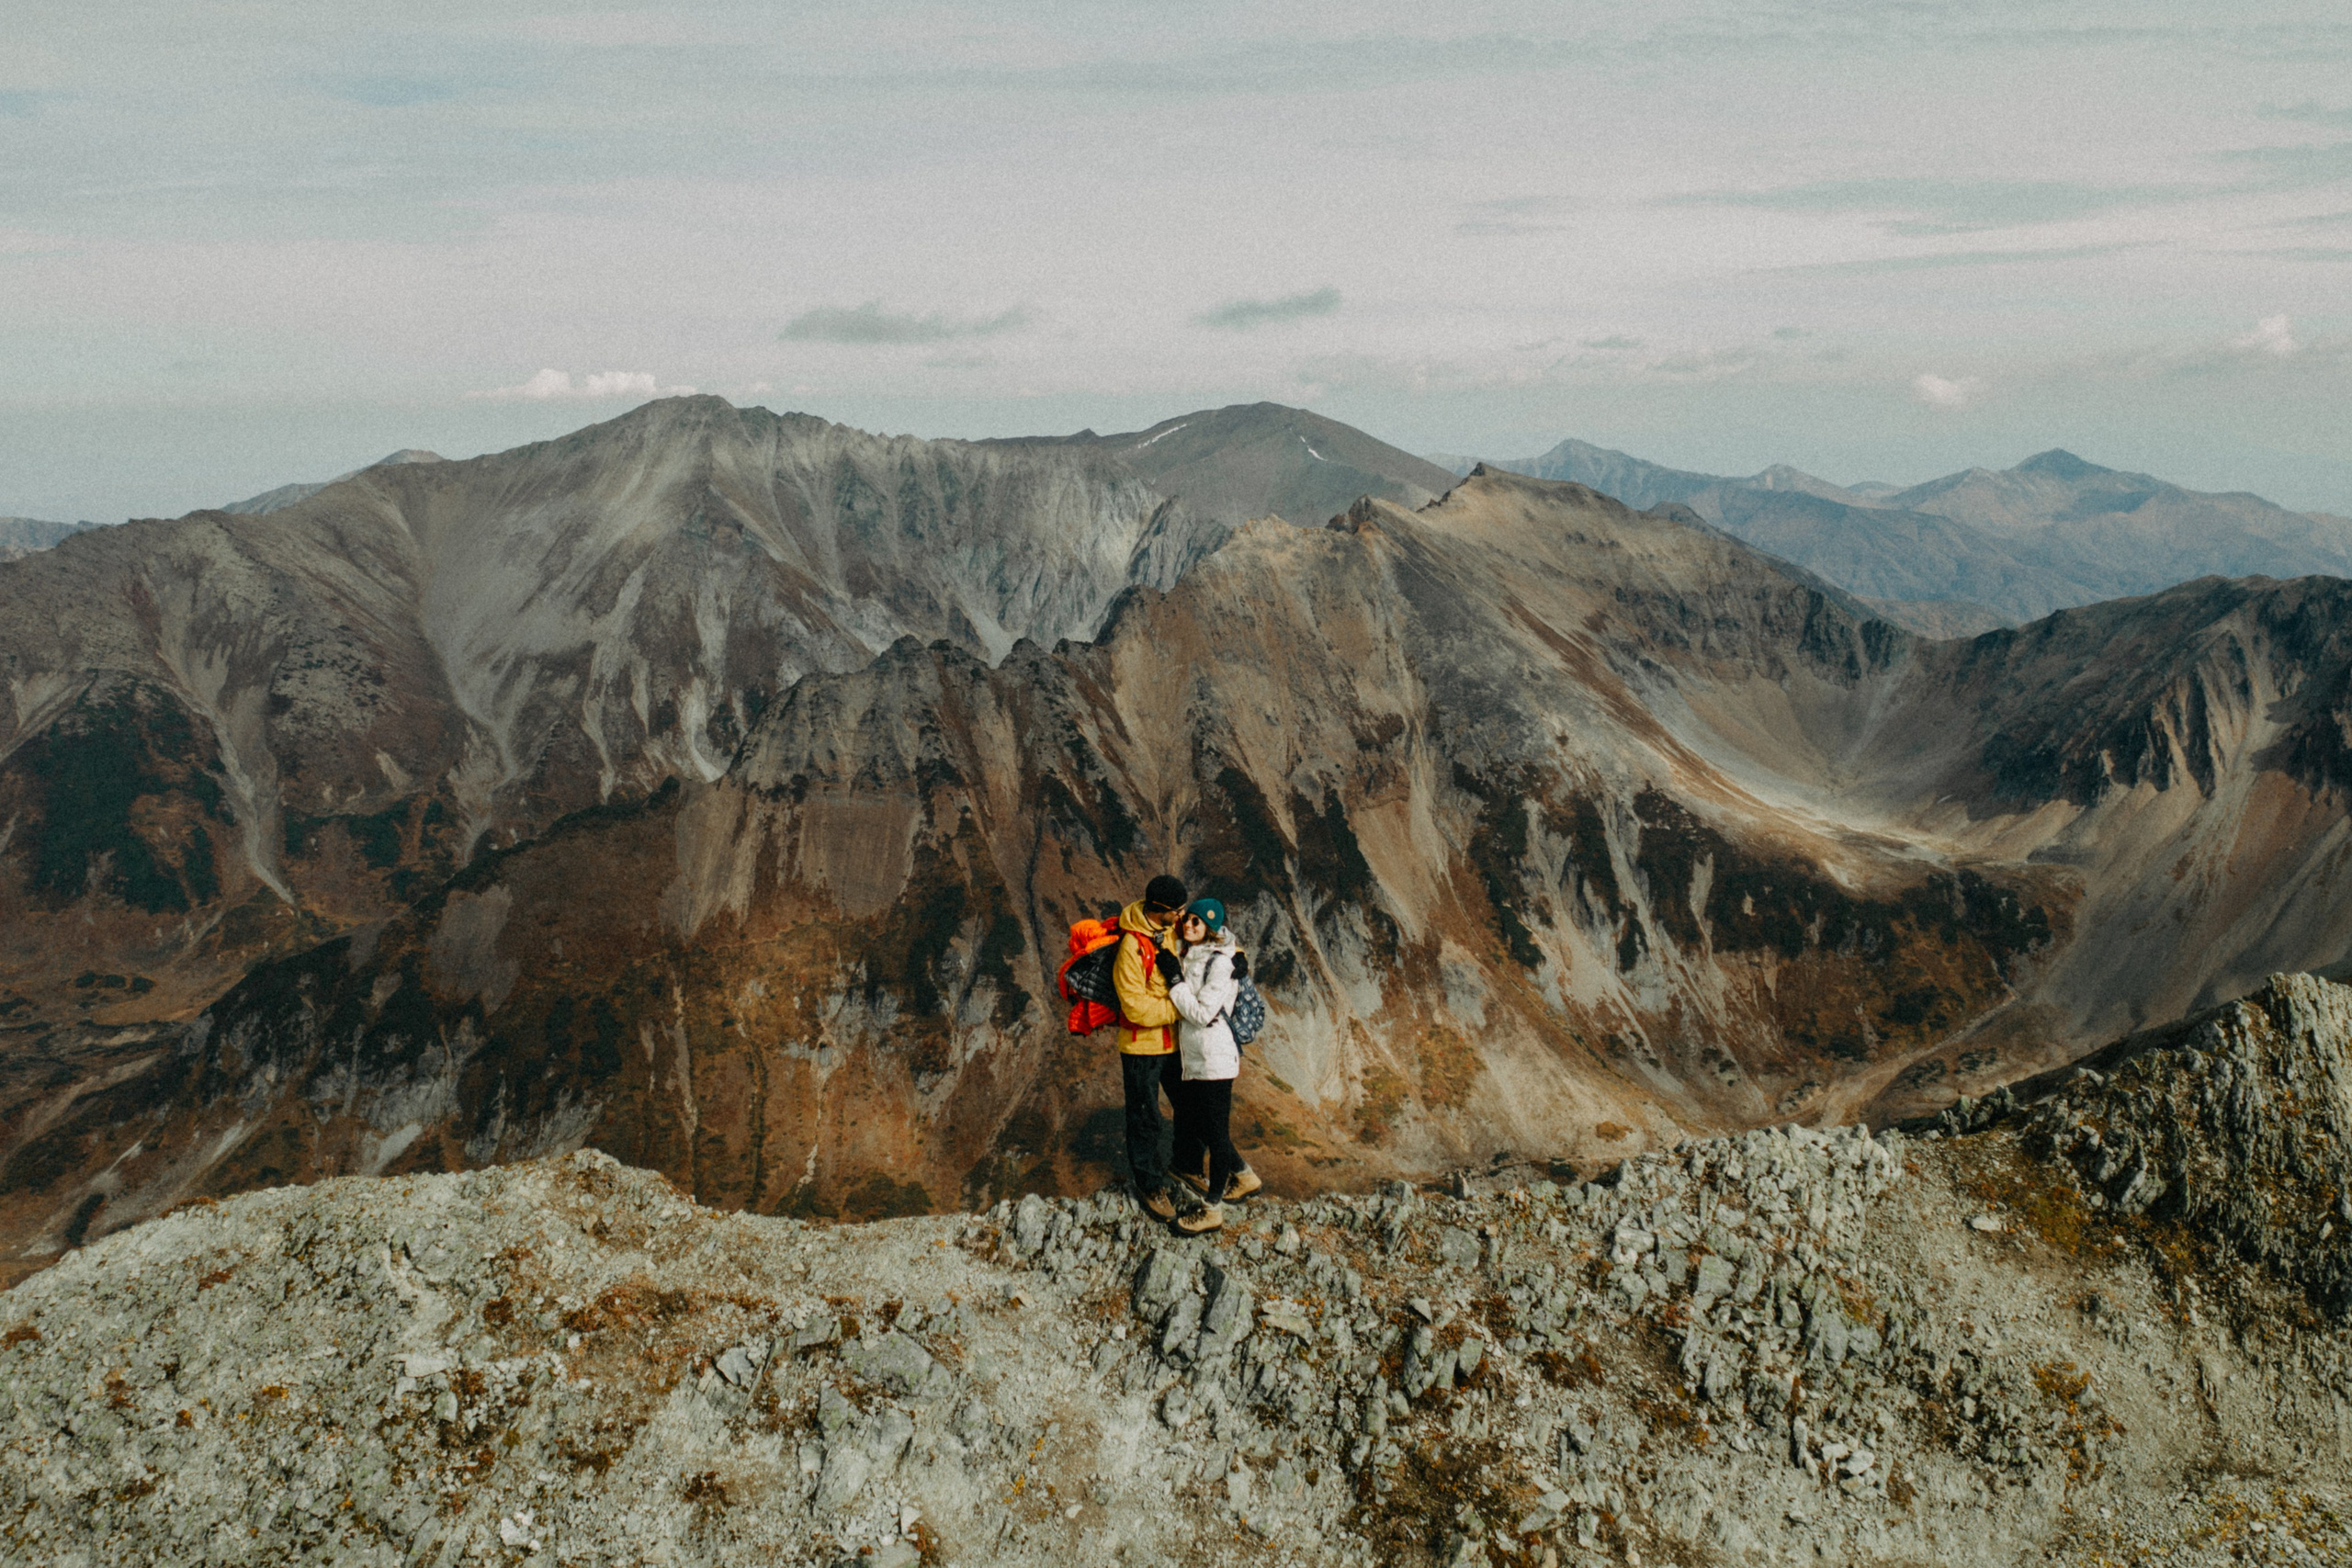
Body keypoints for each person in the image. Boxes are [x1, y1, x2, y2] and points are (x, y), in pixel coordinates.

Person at [1156, 897, 1261, 1234]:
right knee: (1205, 1124)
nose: (1187, 925)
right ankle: (1244, 1175)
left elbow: (1202, 1014)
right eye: (1187, 919)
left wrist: (1175, 981)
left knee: (1215, 1134)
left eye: (1196, 922)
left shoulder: (1221, 964)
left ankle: (1212, 1210)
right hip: (1198, 1058)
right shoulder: (1192, 951)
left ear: (1211, 929)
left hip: (1215, 1059)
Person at [1113, 874, 1191, 1220]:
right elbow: (1134, 1007)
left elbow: (1207, 936)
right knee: (1145, 1118)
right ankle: (1149, 1184)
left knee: (1188, 1105)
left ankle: (1184, 1166)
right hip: (1141, 1049)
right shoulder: (1131, 947)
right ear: (1160, 910)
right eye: (1178, 910)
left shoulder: (1168, 930)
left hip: (1172, 1043)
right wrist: (1179, 1008)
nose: (1182, 915)